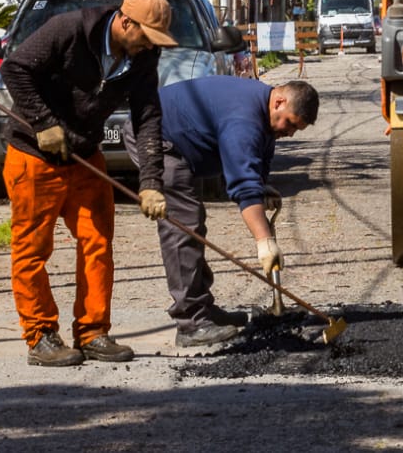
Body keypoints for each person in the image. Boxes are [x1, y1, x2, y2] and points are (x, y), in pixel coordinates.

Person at [0, 0, 177, 367]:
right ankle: (41, 335)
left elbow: (147, 115)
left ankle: (93, 331)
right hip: (33, 156)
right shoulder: (69, 30)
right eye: (146, 37)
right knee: (32, 250)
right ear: (125, 22)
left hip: (85, 156)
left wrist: (150, 182)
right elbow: (14, 68)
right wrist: (44, 124)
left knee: (97, 243)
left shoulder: (144, 56)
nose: (149, 47)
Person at [128, 76, 320, 348]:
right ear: (279, 101)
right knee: (184, 224)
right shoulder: (244, 118)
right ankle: (191, 323)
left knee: (193, 222)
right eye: (289, 123)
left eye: (295, 130)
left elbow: (253, 163)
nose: (288, 132)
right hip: (155, 137)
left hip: (179, 139)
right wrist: (264, 241)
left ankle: (202, 308)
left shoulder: (264, 115)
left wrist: (262, 186)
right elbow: (242, 184)